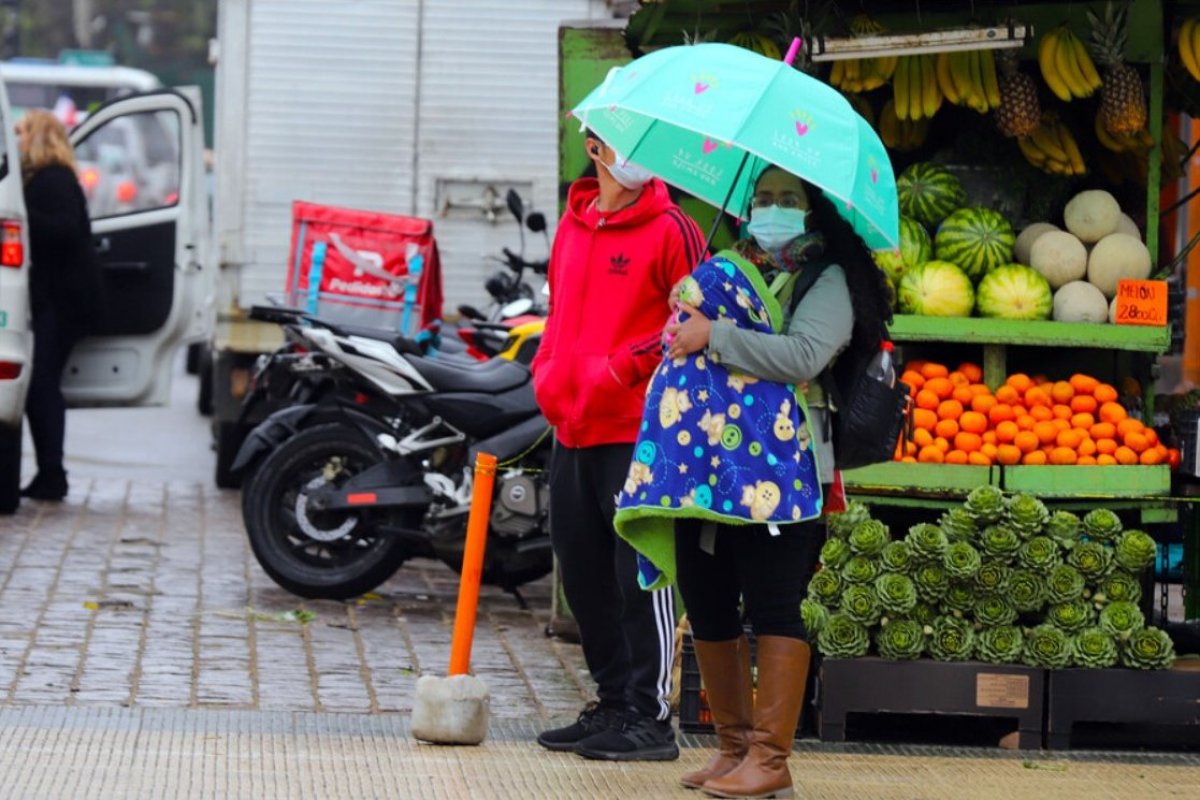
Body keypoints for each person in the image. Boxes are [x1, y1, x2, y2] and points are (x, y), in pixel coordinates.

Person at [655, 166, 891, 798]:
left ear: (813, 210)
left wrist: (716, 336)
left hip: (787, 476)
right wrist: (681, 330)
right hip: (709, 466)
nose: (774, 209)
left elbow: (804, 357)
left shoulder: (829, 279)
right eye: (763, 199)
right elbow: (693, 345)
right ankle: (732, 751)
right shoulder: (728, 268)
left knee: (773, 605)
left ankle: (771, 760)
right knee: (705, 597)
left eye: (789, 199)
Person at [531, 129, 703, 761]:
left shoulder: (673, 227)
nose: (634, 152)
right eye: (619, 139)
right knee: (583, 572)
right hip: (572, 426)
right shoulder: (574, 225)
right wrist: (547, 373)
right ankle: (612, 701)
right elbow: (557, 316)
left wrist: (618, 370)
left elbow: (689, 318)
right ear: (593, 145)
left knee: (641, 574)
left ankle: (650, 716)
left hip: (639, 428)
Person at [16, 109, 103, 501]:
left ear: (37, 137)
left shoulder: (53, 179)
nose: (15, 138)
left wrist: (18, 218)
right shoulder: (51, 178)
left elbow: (64, 230)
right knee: (40, 384)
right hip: (61, 297)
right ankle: (51, 471)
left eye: (20, 131)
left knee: (41, 385)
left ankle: (53, 473)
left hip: (61, 299)